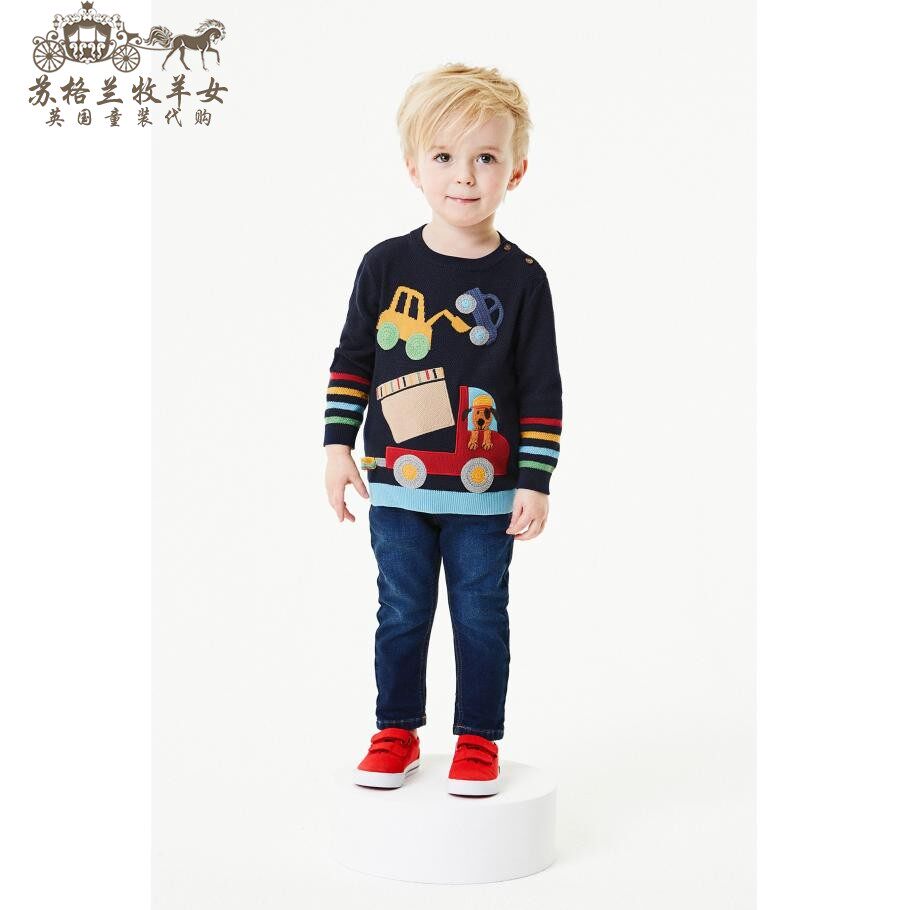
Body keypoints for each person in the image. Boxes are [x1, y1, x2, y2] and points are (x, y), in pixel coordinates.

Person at [323, 63, 563, 797]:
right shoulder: (385, 265)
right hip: (398, 488)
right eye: (445, 156)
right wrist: (337, 446)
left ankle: (477, 739)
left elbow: (541, 388)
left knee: (481, 616)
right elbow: (353, 360)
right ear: (413, 167)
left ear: (515, 171)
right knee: (401, 612)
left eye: (485, 156)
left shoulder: (524, 280)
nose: (465, 175)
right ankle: (395, 731)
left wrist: (535, 480)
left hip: (486, 497)